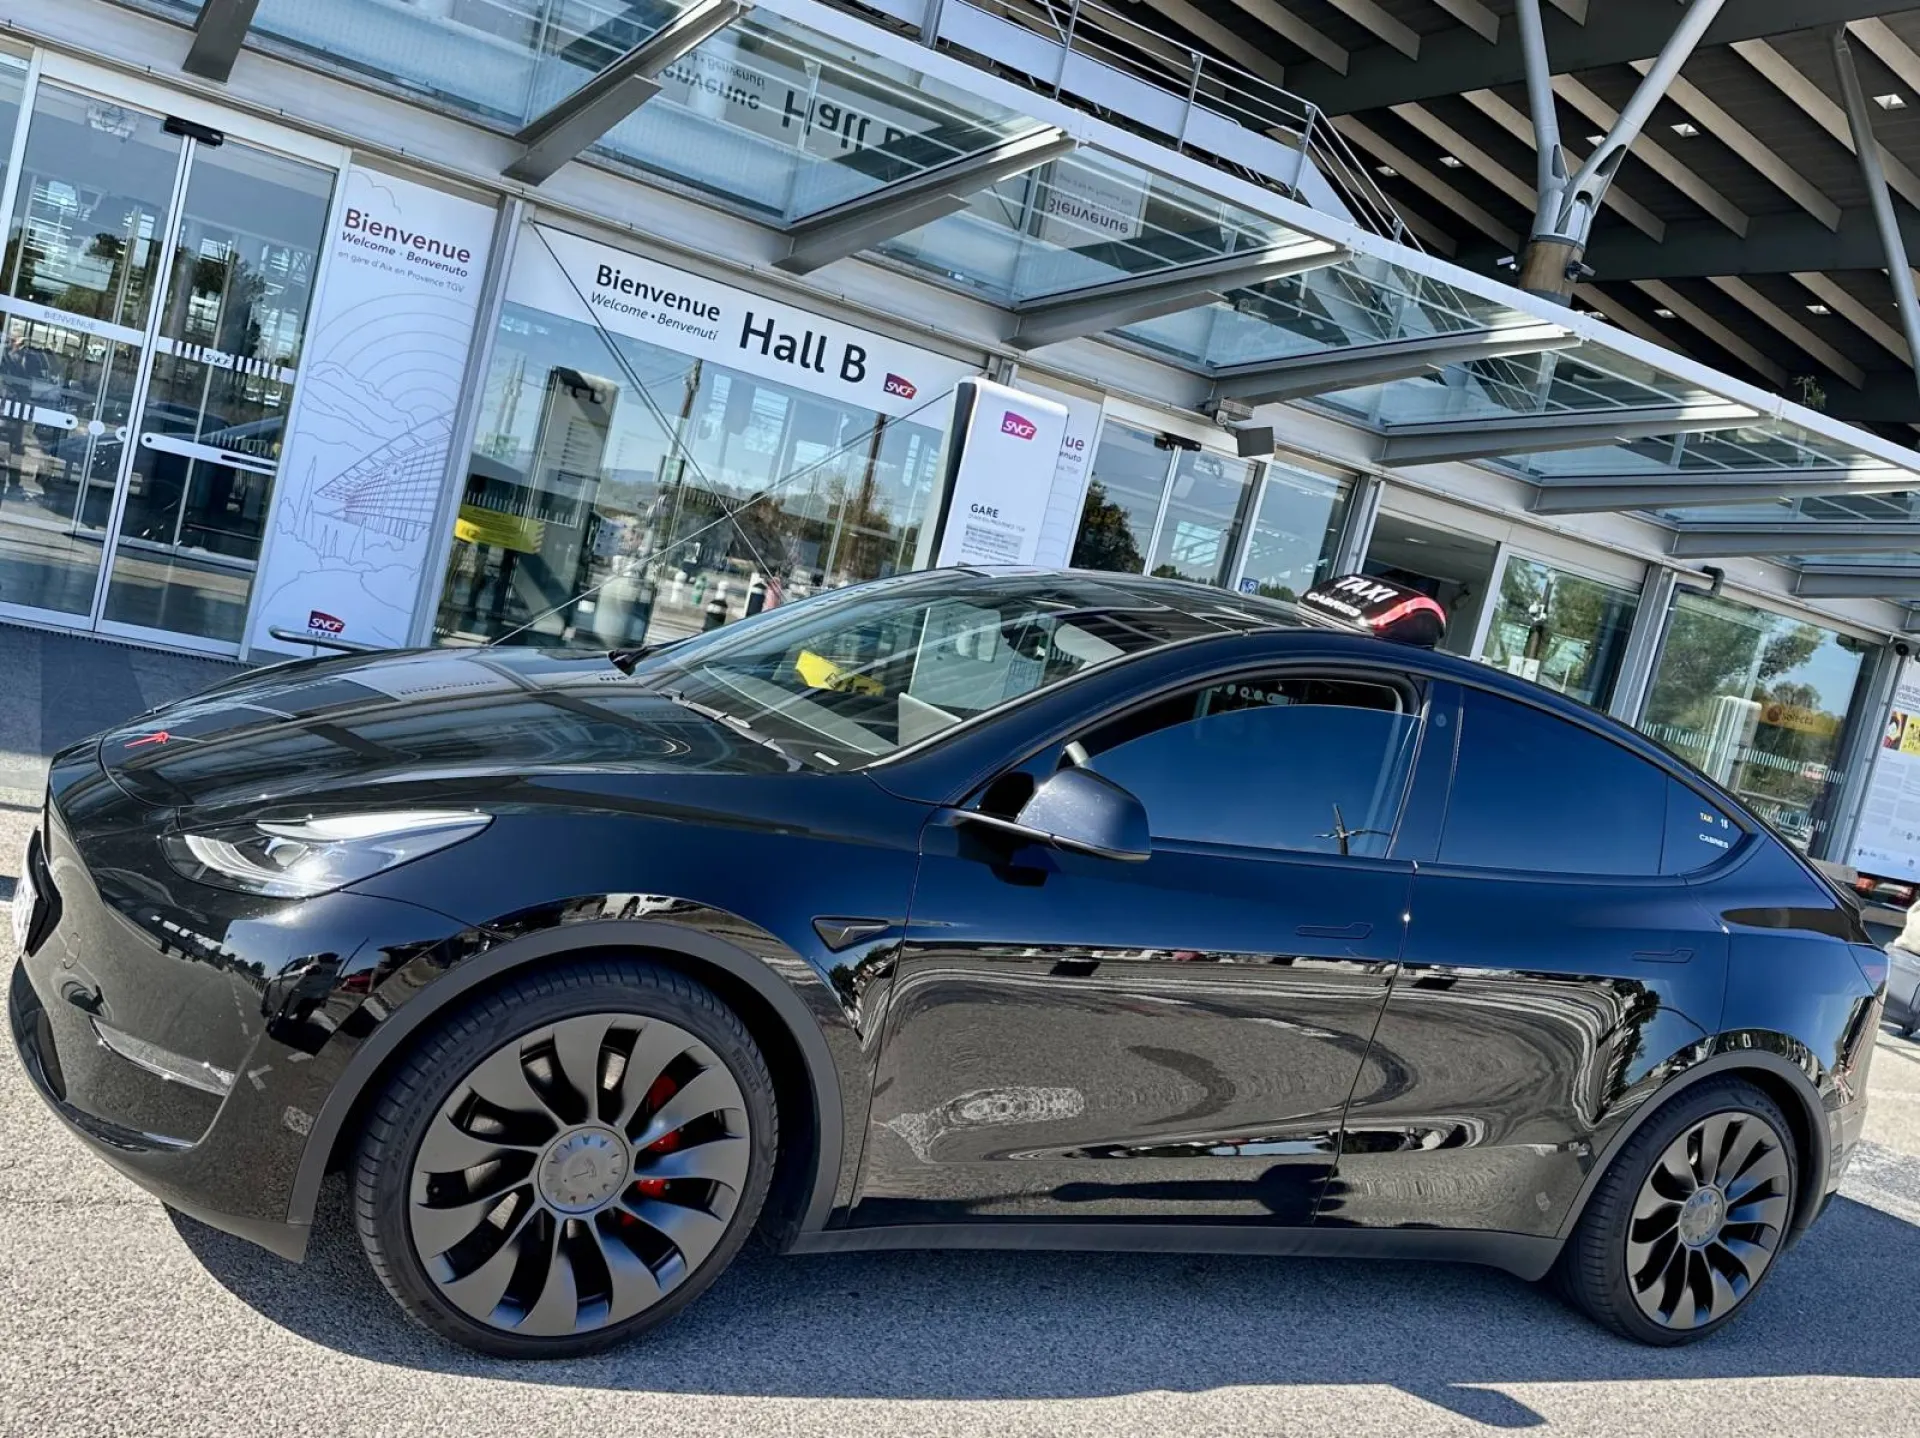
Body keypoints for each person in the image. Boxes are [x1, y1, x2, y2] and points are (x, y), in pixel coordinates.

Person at [0, 328, 51, 501]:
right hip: (5, 403)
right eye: (18, 341)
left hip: (20, 405)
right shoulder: (5, 355)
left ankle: (14, 483)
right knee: (4, 446)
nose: (22, 346)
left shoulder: (30, 357)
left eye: (24, 342)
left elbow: (40, 372)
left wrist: (32, 354)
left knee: (17, 446)